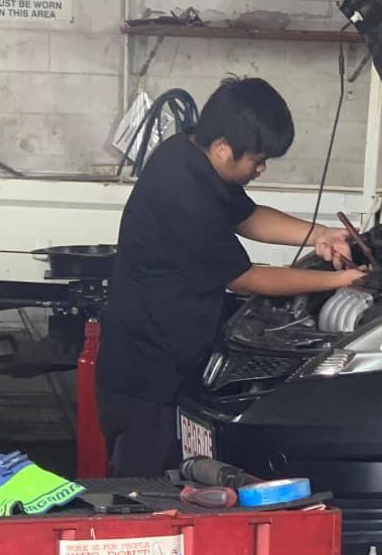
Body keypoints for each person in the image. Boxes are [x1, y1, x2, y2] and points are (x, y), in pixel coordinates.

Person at [96, 76, 364, 477]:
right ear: (223, 149)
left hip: (172, 357)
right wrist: (338, 282)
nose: (261, 168)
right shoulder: (183, 194)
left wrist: (320, 234)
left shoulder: (188, 154)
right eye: (257, 159)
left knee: (183, 487)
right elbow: (247, 278)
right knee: (144, 493)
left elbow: (247, 215)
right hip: (145, 376)